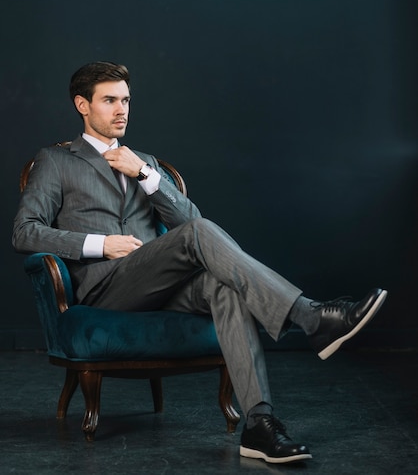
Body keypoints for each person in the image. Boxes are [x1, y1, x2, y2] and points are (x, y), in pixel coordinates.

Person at [13, 61, 387, 464]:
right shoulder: (56, 160)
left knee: (224, 287)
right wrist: (101, 244)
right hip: (106, 289)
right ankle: (311, 317)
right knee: (199, 234)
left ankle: (259, 425)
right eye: (109, 101)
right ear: (82, 105)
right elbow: (25, 232)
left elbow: (192, 226)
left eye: (126, 100)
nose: (121, 110)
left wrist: (146, 176)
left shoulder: (147, 163)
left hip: (159, 283)